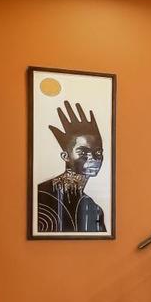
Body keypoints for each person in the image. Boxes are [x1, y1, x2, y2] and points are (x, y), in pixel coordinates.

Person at [36, 100, 107, 234]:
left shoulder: (94, 209)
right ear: (65, 156)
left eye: (98, 152)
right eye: (83, 152)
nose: (93, 159)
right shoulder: (40, 196)